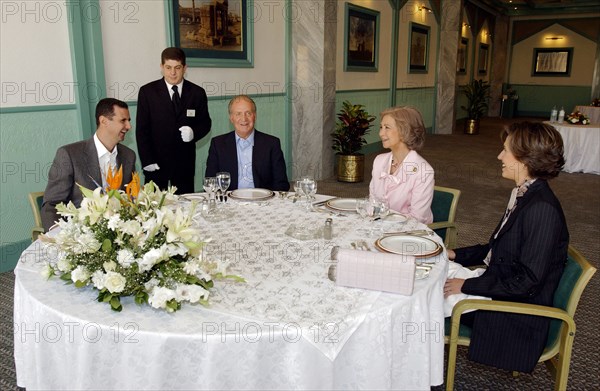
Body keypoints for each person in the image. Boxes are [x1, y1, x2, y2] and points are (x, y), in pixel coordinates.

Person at [443, 121, 569, 373]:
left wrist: (466, 285)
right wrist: (456, 254)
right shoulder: (525, 193)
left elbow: (527, 283)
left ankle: (421, 374)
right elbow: (498, 247)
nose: (500, 156)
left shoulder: (542, 209)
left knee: (423, 297)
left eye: (505, 151)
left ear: (525, 159)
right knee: (430, 273)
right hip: (499, 286)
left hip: (517, 315)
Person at [41, 98, 137, 231]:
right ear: (103, 121)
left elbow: (130, 197)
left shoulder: (128, 155)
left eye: (129, 121)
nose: (128, 126)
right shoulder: (69, 154)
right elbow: (51, 205)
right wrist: (60, 235)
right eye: (123, 121)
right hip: (82, 233)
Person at [136, 47, 212, 194]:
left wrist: (193, 133)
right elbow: (142, 130)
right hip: (155, 164)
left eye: (177, 68)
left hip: (184, 164)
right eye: (168, 67)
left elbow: (206, 123)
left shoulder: (197, 93)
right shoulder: (147, 92)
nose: (173, 73)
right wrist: (147, 160)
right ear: (161, 67)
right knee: (154, 208)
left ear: (184, 68)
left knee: (185, 208)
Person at [205, 95, 290, 191]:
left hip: (263, 201)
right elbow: (210, 183)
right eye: (238, 114)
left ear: (255, 116)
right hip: (229, 202)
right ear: (231, 118)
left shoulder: (272, 144)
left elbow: (281, 184)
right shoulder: (218, 144)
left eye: (248, 113)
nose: (244, 118)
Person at [369, 106, 434, 223]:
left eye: (387, 128)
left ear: (405, 131)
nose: (381, 133)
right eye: (381, 127)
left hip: (409, 233)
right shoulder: (379, 161)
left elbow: (417, 218)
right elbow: (372, 202)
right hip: (379, 227)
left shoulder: (423, 171)